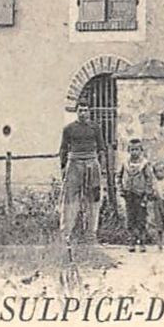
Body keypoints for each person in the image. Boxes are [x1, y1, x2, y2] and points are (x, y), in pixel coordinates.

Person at [58, 104, 107, 248]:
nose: (83, 113)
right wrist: (63, 168)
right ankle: (66, 235)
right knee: (70, 199)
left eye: (86, 110)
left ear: (89, 112)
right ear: (76, 112)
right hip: (74, 164)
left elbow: (101, 149)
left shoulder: (95, 128)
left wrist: (101, 168)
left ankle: (91, 236)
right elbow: (63, 149)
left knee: (93, 199)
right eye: (80, 110)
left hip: (92, 163)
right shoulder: (69, 129)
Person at [117, 139, 157, 253]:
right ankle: (132, 241)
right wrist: (121, 189)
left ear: (141, 151)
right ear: (129, 150)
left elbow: (149, 179)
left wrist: (147, 193)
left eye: (137, 150)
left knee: (141, 218)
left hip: (141, 195)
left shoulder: (144, 164)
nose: (134, 152)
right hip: (129, 194)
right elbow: (118, 177)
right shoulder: (125, 163)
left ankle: (142, 241)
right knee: (131, 218)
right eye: (132, 150)